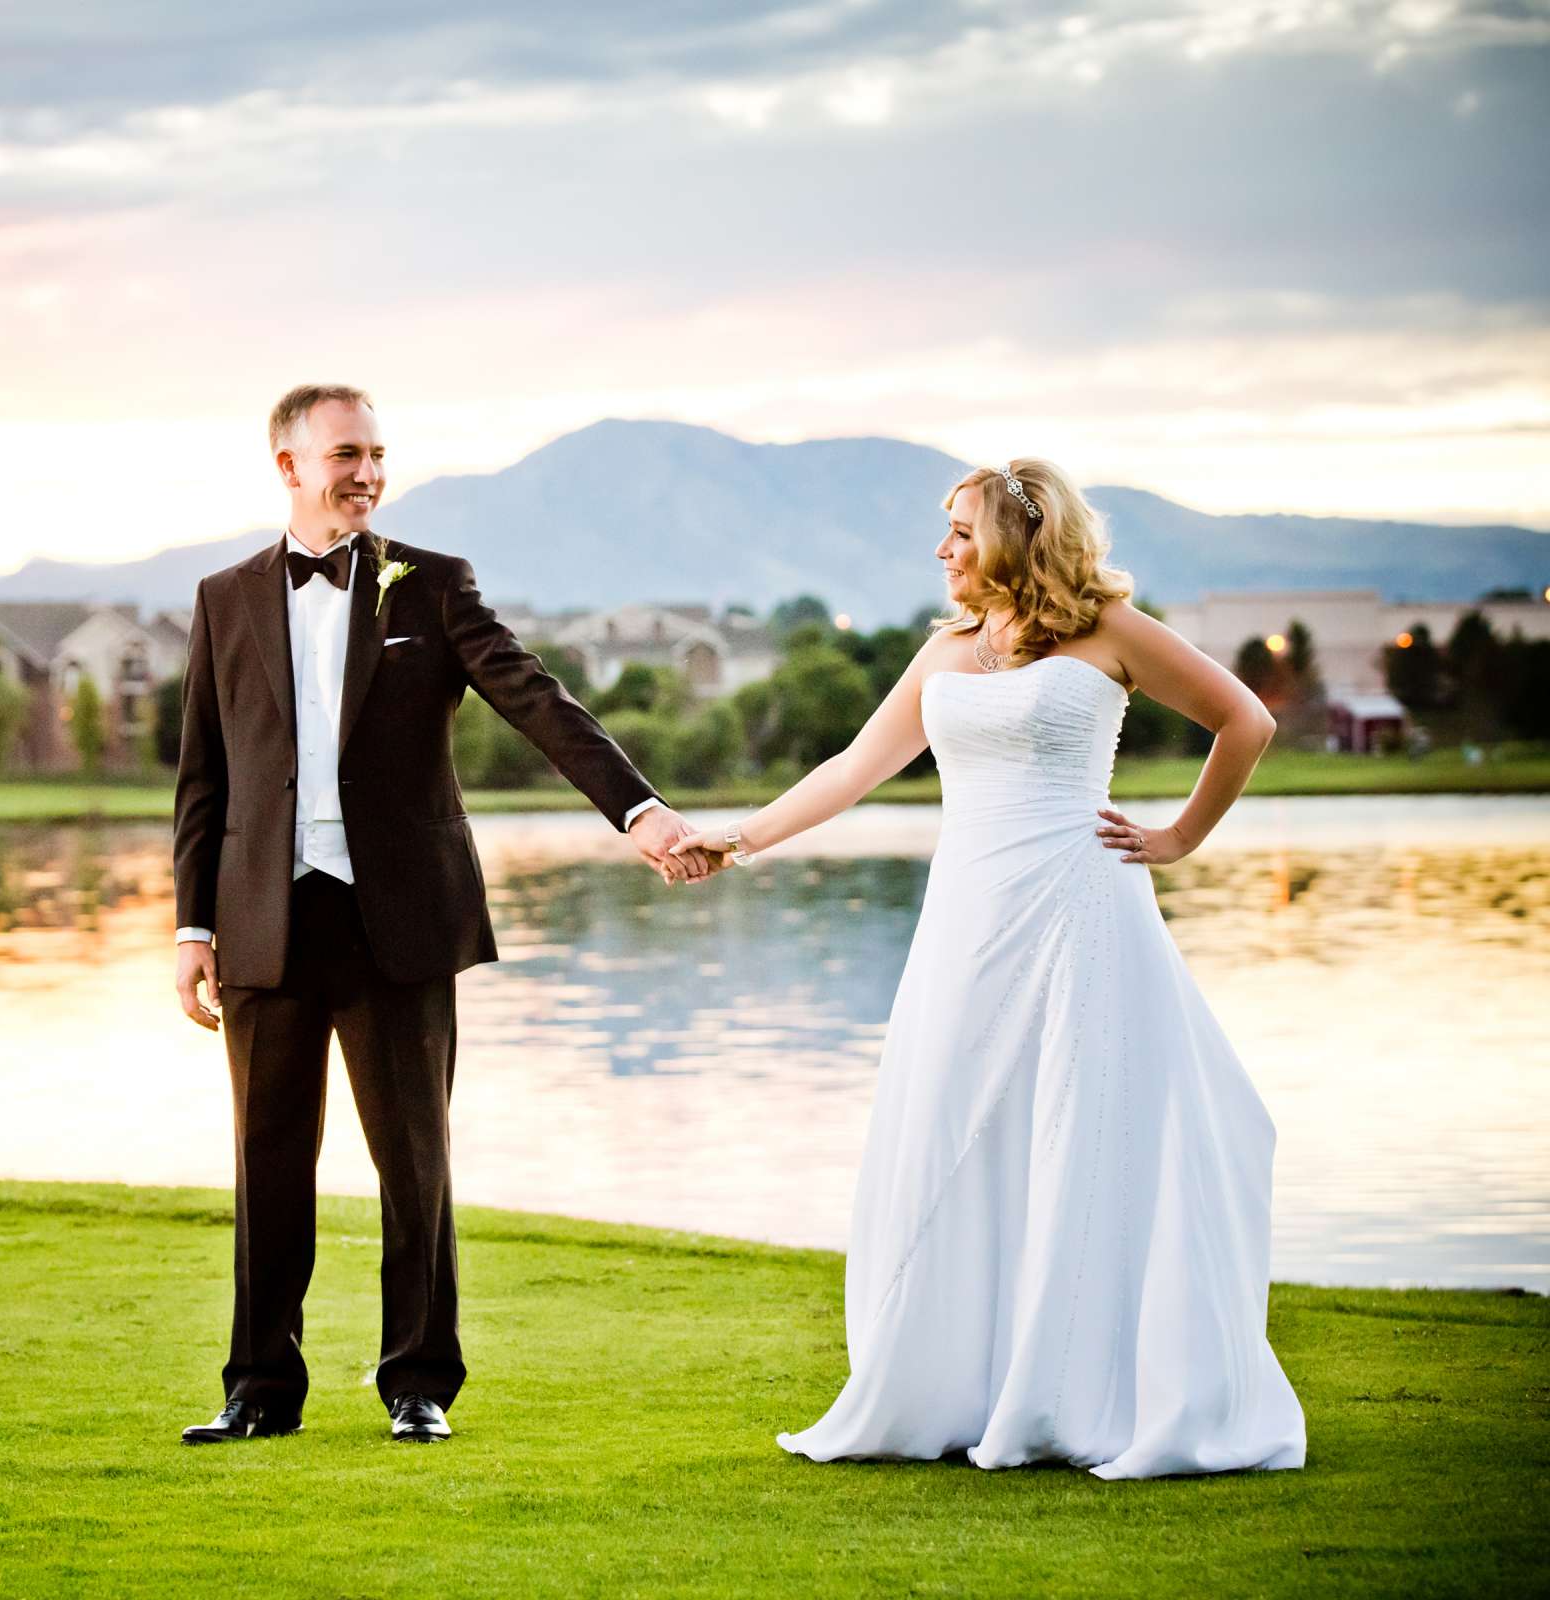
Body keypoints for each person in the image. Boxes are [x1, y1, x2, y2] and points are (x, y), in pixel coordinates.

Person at [672, 458, 1307, 1478]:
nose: (942, 551)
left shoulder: (1108, 631)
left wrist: (1182, 836)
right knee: (955, 1127)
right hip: (969, 920)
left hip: (1082, 910)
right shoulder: (943, 654)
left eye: (960, 532)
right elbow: (850, 770)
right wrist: (734, 841)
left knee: (1075, 1131)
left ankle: (1073, 1388)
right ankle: (960, 1381)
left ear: (1016, 538)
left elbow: (1248, 719)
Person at [170, 383, 723, 1445]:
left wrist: (638, 810)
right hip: (262, 924)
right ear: (288, 464)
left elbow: (535, 697)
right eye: (344, 454)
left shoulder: (431, 585)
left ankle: (417, 1382)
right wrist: (194, 926)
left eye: (377, 452)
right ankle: (257, 1391)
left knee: (413, 1160)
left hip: (401, 921)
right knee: (265, 1161)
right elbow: (205, 777)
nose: (366, 472)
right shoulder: (223, 597)